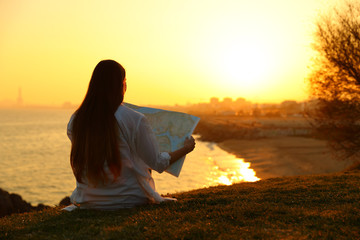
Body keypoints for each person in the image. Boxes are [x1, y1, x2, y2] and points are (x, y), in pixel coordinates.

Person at [64, 60, 195, 211]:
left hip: (88, 201)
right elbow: (157, 163)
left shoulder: (76, 120)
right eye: (125, 81)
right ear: (121, 85)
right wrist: (186, 148)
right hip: (129, 199)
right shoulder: (134, 119)